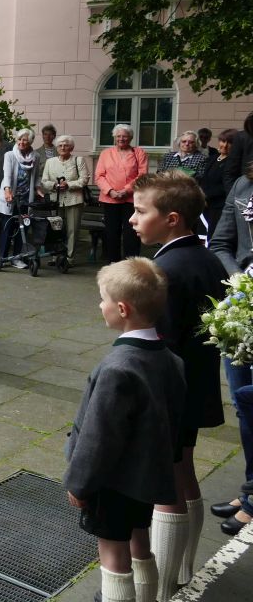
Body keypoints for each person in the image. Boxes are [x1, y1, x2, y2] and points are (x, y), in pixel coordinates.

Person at [129, 171, 228, 597]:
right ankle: (184, 566)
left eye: (140, 211)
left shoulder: (164, 272)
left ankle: (164, 586)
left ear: (172, 219)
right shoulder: (206, 258)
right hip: (195, 384)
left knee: (164, 484)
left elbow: (158, 345)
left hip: (167, 393)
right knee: (184, 470)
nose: (133, 219)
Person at [64, 258, 185, 602]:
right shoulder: (171, 360)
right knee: (140, 545)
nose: (99, 306)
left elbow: (98, 437)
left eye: (102, 299)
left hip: (112, 481)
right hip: (145, 478)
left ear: (122, 309)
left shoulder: (117, 369)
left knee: (113, 557)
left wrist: (79, 483)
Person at [206, 162, 253, 536]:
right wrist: (240, 280)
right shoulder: (243, 184)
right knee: (243, 403)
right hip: (241, 307)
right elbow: (220, 243)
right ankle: (251, 488)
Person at [95, 124, 148, 264]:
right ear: (114, 137)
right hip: (110, 199)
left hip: (132, 199)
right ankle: (113, 261)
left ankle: (131, 263)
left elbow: (142, 175)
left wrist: (126, 190)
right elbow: (99, 176)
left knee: (132, 231)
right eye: (118, 136)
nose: (121, 139)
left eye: (125, 136)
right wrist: (110, 191)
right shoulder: (105, 153)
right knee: (112, 231)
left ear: (130, 138)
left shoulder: (139, 152)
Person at [0, 128, 45, 267]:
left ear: (31, 142)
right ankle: (3, 257)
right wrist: (7, 190)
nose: (21, 142)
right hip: (11, 198)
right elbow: (7, 175)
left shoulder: (35, 156)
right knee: (8, 228)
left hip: (26, 199)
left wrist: (38, 189)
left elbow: (36, 176)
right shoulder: (10, 155)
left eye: (25, 140)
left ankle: (17, 258)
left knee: (23, 229)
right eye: (19, 139)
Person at [40, 135, 90, 265]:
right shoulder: (50, 162)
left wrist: (69, 184)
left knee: (72, 230)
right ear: (57, 147)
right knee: (56, 229)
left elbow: (84, 179)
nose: (63, 147)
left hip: (74, 200)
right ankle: (56, 256)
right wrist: (54, 185)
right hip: (55, 200)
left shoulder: (78, 160)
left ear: (71, 147)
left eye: (66, 145)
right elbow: (44, 181)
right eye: (60, 145)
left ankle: (69, 258)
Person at [197, 129, 234, 238]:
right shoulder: (212, 158)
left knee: (213, 237)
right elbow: (204, 179)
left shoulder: (233, 162)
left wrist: (206, 196)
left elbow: (227, 186)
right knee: (202, 236)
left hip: (219, 207)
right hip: (204, 205)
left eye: (229, 143)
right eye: (223, 141)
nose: (225, 145)